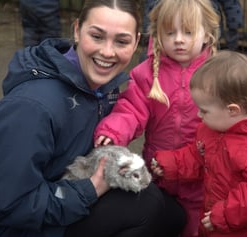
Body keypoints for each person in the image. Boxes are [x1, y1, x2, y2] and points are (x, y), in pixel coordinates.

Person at [0, 1, 185, 236]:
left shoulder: (102, 86)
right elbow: (8, 203)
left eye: (121, 41)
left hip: (64, 192)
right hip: (16, 225)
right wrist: (89, 190)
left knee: (175, 216)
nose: (107, 51)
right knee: (146, 205)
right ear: (76, 30)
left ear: (136, 42)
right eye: (96, 36)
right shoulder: (31, 108)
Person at [94, 0, 220, 236]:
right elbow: (130, 109)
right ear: (158, 35)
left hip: (204, 175)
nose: (179, 39)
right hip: (159, 172)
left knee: (197, 226)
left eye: (188, 32)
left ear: (207, 35)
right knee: (161, 221)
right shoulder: (146, 73)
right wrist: (113, 131)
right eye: (170, 32)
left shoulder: (218, 73)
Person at [151, 50, 247, 237]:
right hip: (215, 223)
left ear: (232, 110)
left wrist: (226, 213)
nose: (199, 115)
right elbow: (199, 155)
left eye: (204, 110)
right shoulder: (215, 129)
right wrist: (172, 163)